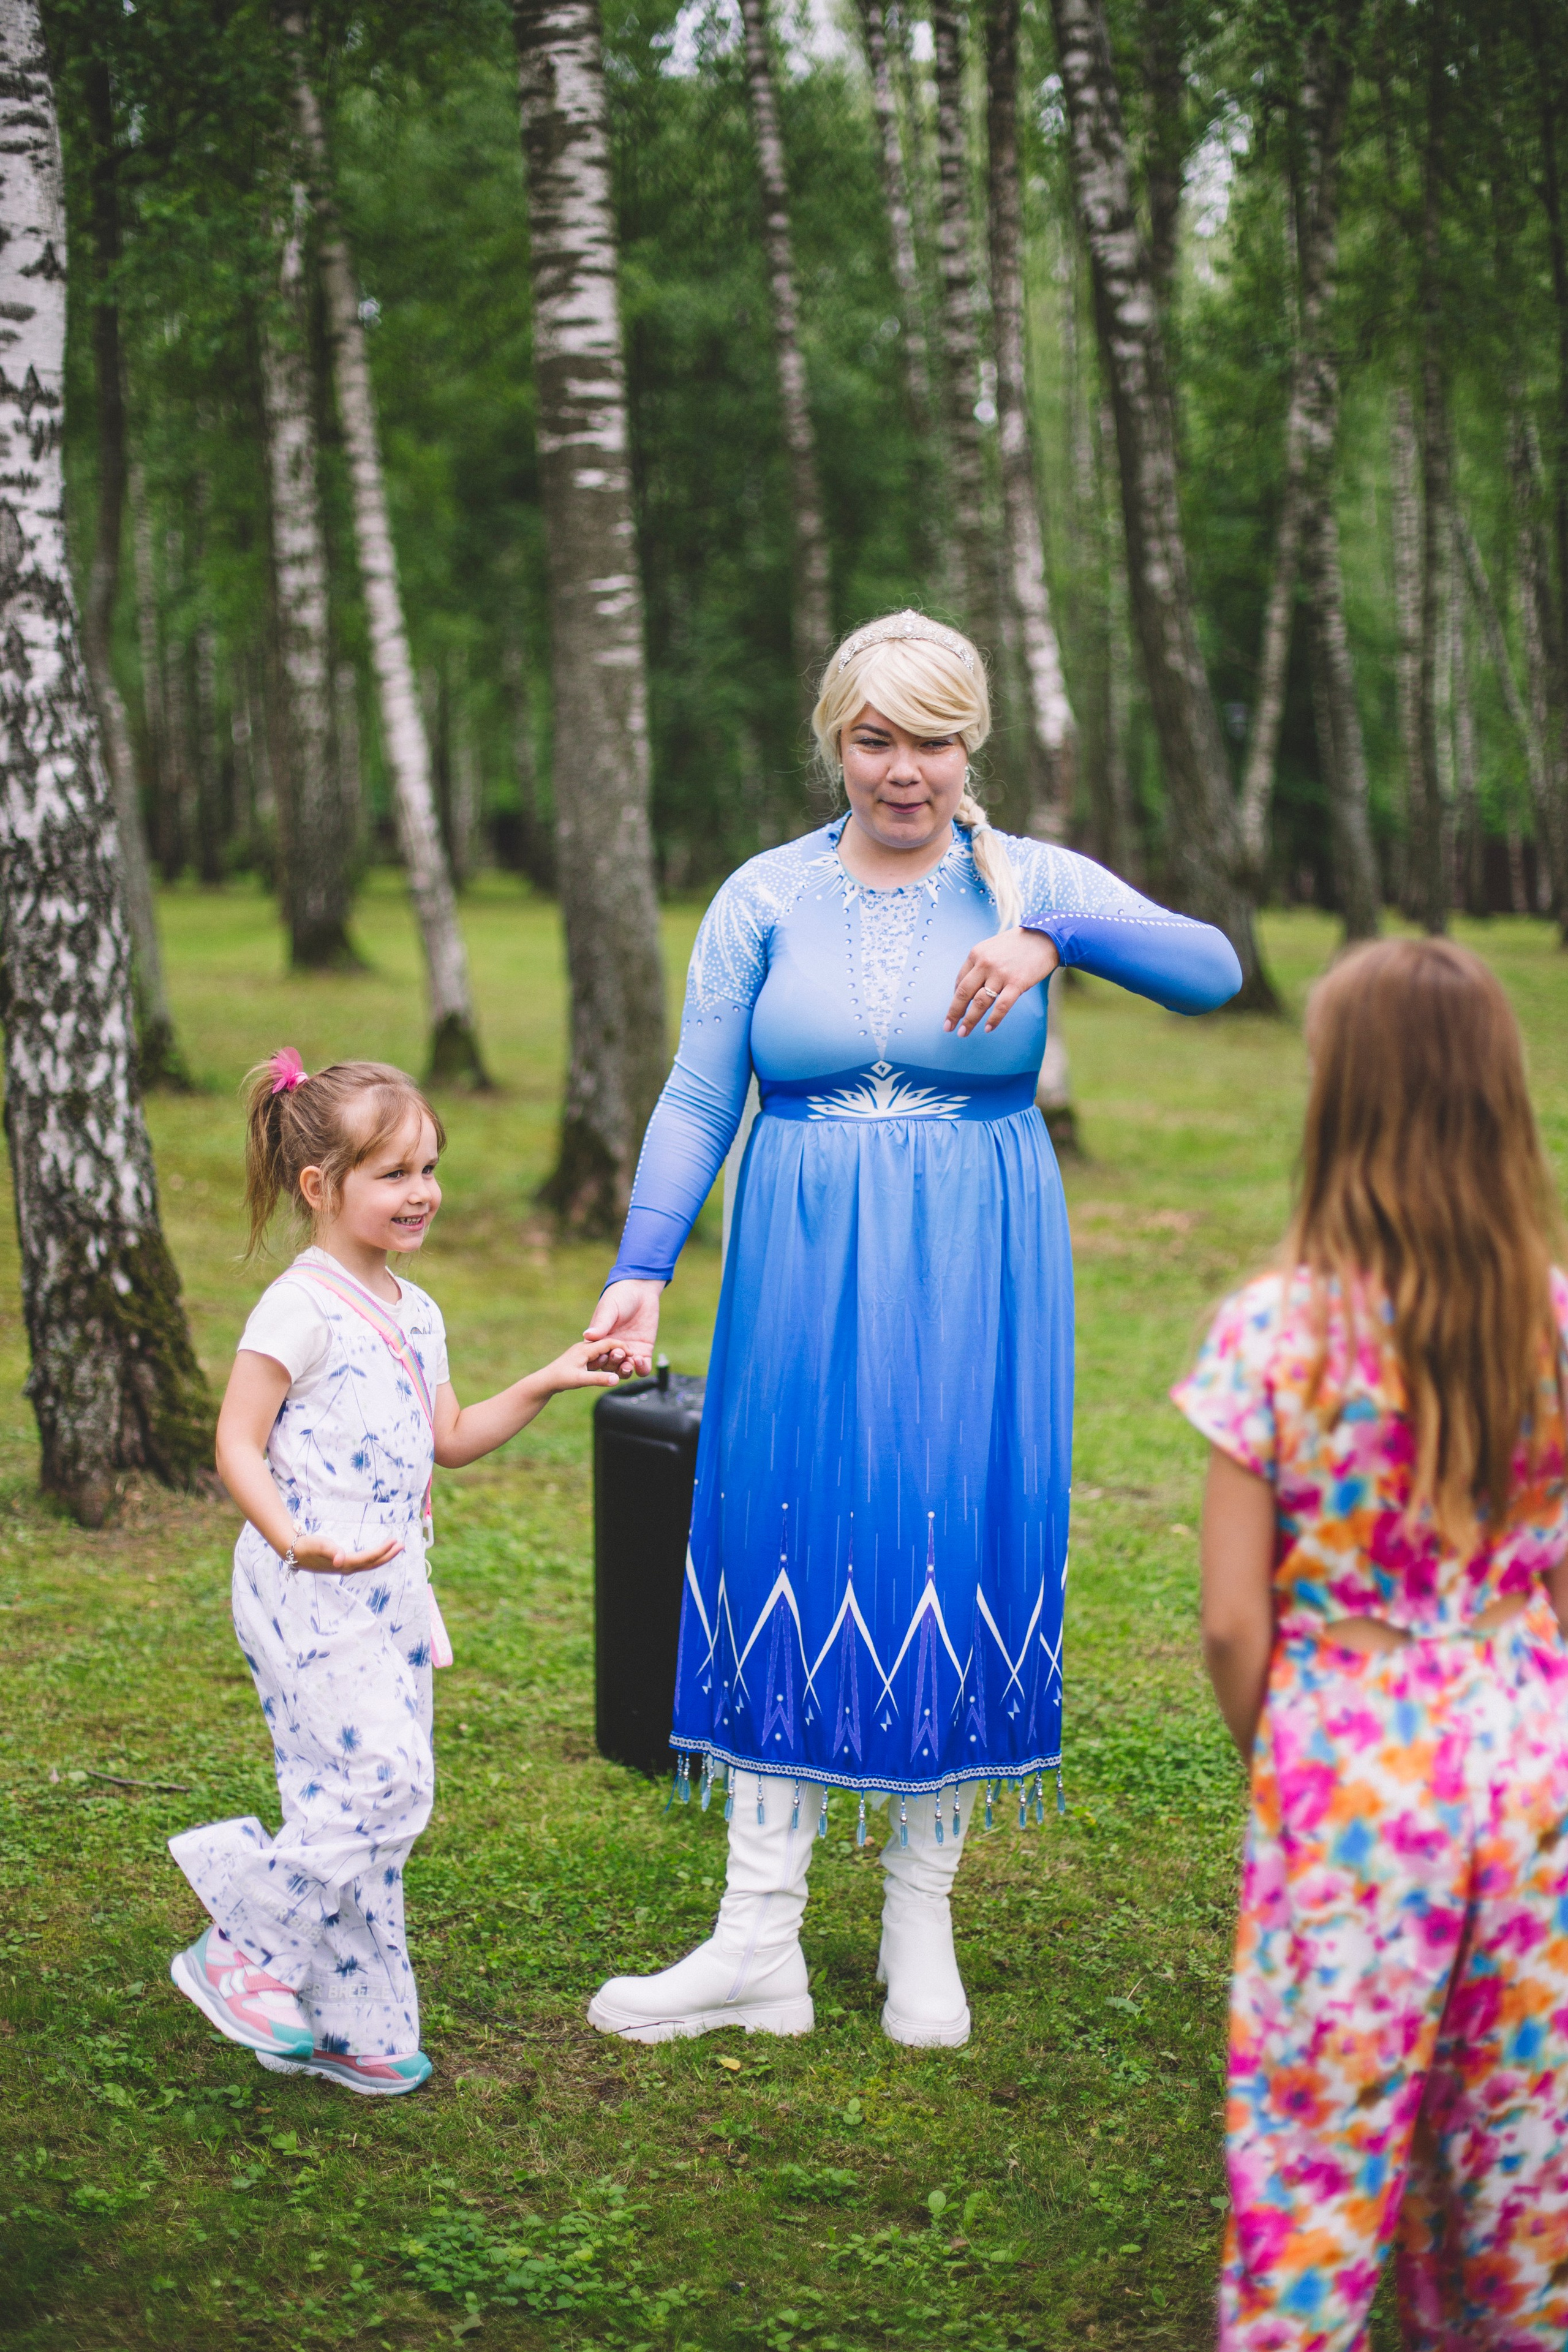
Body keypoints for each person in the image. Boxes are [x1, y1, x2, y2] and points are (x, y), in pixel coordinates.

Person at [582, 611, 1242, 2049]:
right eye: (873, 739)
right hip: (799, 1249)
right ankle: (757, 1938)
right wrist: (643, 1263)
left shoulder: (1024, 876)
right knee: (780, 1527)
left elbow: (1212, 970)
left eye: (932, 740)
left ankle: (916, 1915)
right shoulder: (762, 895)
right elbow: (700, 1095)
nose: (903, 772)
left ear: (971, 743)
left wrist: (1047, 936)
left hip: (977, 1252)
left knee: (950, 1528)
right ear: (832, 741)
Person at [1174, 937, 1568, 2346]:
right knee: (1516, 2152)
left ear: (1339, 1102)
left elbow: (1232, 1618)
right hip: (1529, 1758)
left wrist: (1284, 1752)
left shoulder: (1273, 1334)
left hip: (1349, 1768)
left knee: (1315, 2147)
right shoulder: (1549, 1317)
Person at [167, 1052, 617, 2096]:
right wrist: (296, 1539)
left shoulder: (418, 1309)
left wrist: (552, 1376)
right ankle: (243, 1947)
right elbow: (236, 1443)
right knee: (384, 1784)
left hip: (390, 1593)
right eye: (394, 1173)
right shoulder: (299, 1308)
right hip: (303, 1586)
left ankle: (356, 2023)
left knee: (364, 1804)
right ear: (320, 1187)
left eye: (429, 1168)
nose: (422, 1192)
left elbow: (449, 1437)